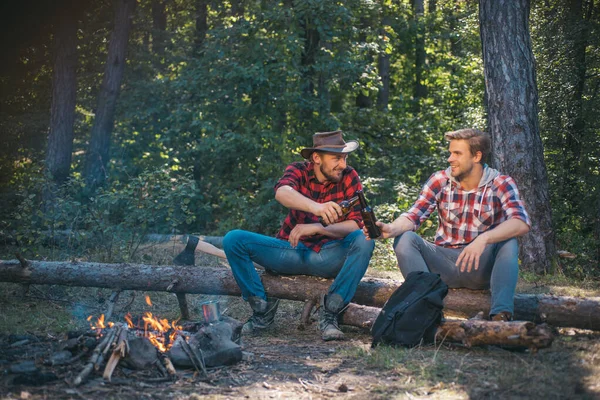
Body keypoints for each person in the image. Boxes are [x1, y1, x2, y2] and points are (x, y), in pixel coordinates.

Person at [223, 130, 375, 341]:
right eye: (336, 158)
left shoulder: (349, 176)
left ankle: (331, 313)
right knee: (233, 239)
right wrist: (317, 209)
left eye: (344, 157)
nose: (342, 163)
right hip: (290, 251)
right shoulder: (298, 169)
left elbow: (356, 223)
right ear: (316, 158)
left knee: (365, 238)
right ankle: (261, 311)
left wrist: (318, 228)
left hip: (328, 255)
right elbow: (282, 192)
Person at [365, 128, 531, 321]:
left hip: (480, 266)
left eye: (457, 153)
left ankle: (501, 316)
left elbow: (521, 222)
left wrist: (485, 239)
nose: (450, 159)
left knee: (509, 242)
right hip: (444, 263)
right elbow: (414, 215)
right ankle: (425, 311)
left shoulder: (501, 183)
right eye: (450, 153)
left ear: (477, 156)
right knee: (405, 239)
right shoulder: (440, 180)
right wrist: (391, 229)